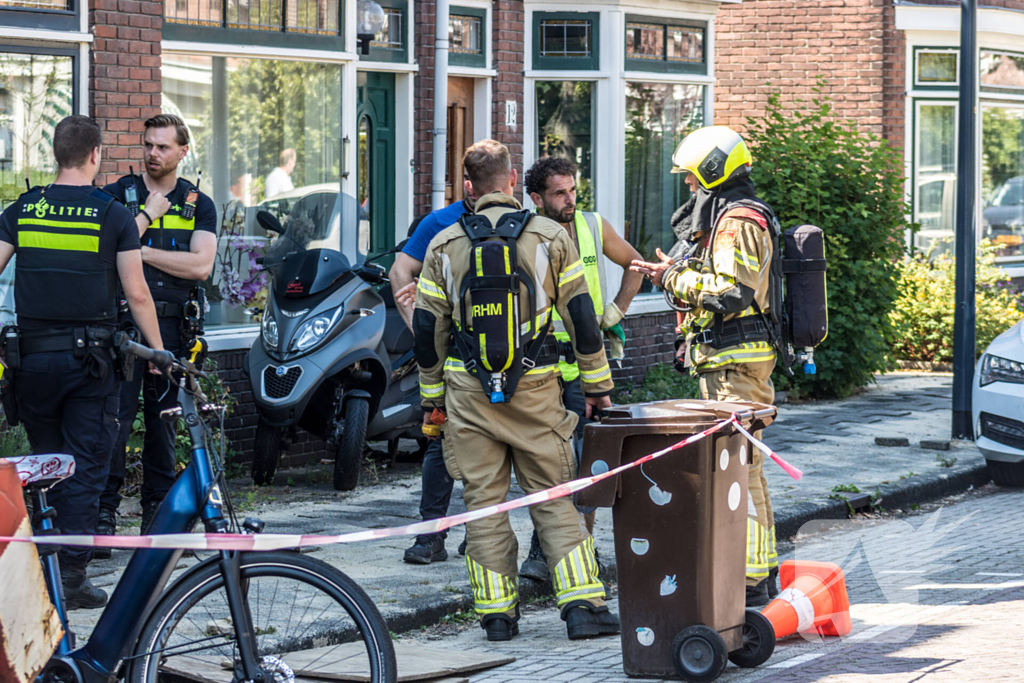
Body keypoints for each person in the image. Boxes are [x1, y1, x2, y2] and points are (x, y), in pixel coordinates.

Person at [414, 139, 619, 641]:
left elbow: (426, 330)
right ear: (511, 183)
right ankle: (581, 609)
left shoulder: (444, 245)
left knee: (484, 502)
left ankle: (497, 617)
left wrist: (432, 397)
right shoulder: (550, 236)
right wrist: (598, 386)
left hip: (468, 394)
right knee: (553, 496)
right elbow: (584, 321)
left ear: (468, 187)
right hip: (536, 389)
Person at [0, 115, 165, 608]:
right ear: (96, 155)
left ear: (56, 154)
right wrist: (158, 352)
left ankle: (39, 572)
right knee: (86, 464)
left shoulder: (22, 210)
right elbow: (136, 293)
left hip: (30, 364)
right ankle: (69, 576)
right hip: (88, 365)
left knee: (45, 466)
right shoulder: (111, 214)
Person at [629, 125, 779, 606]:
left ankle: (755, 576)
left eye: (693, 179)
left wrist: (673, 275)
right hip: (726, 358)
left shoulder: (736, 221)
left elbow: (731, 292)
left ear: (713, 171)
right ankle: (756, 569)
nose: (689, 188)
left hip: (736, 359)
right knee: (743, 464)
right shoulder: (727, 217)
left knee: (743, 466)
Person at [517, 156, 644, 582]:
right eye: (559, 193)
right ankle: (547, 550)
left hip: (587, 364)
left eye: (572, 190)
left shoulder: (591, 225)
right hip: (542, 363)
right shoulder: (525, 235)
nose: (569, 200)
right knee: (550, 461)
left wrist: (614, 313)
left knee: (590, 458)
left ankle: (579, 555)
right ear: (536, 198)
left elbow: (635, 264)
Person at [95, 114, 218, 544]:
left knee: (165, 425)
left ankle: (158, 520)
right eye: (148, 144)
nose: (152, 154)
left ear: (183, 151)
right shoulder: (117, 196)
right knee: (115, 422)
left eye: (162, 147)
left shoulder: (198, 203)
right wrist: (141, 230)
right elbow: (103, 255)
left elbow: (201, 265)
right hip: (124, 326)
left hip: (175, 328)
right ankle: (103, 517)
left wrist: (139, 252)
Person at [388, 186, 474, 564]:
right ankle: (431, 535)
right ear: (469, 185)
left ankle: (480, 532)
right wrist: (421, 333)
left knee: (491, 448)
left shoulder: (522, 225)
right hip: (454, 358)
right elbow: (401, 271)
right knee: (440, 441)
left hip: (510, 359)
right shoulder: (440, 223)